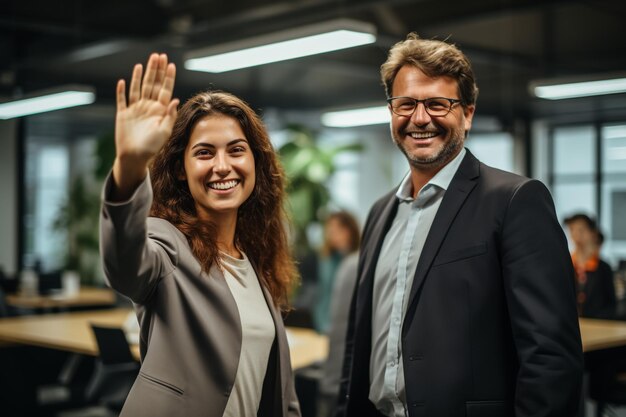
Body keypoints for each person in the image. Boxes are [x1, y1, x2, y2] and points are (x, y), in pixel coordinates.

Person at [336, 34, 583, 417]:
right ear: (391, 112)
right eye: (406, 104)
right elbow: (360, 342)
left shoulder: (516, 201)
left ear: (467, 114)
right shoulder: (381, 212)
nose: (420, 119)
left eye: (438, 104)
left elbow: (550, 357)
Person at [99, 53, 300, 417]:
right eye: (204, 153)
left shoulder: (254, 257)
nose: (222, 166)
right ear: (180, 169)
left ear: (255, 160)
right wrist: (129, 167)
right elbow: (124, 263)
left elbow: (278, 389)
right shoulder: (166, 244)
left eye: (236, 150)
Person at [313, 211, 360, 333]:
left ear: (349, 231)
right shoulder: (325, 260)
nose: (332, 234)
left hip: (349, 328)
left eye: (337, 229)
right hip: (323, 325)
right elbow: (323, 294)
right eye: (330, 230)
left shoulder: (358, 261)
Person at [564, 213, 616, 319]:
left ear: (592, 233)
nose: (576, 234)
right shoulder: (566, 265)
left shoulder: (603, 268)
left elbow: (611, 305)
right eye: (572, 229)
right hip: (572, 327)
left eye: (581, 230)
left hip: (598, 326)